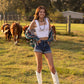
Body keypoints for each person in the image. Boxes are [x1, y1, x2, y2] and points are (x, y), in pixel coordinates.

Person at [25, 6, 59, 84]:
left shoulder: (47, 20)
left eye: (43, 12)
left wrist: (49, 40)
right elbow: (27, 33)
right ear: (38, 13)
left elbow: (51, 32)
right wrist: (36, 38)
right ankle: (40, 83)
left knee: (52, 67)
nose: (42, 13)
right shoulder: (34, 22)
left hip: (46, 45)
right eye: (40, 12)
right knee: (39, 67)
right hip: (38, 45)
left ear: (45, 13)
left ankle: (57, 82)